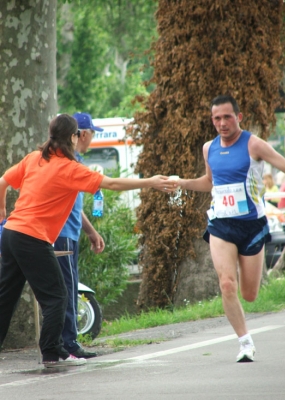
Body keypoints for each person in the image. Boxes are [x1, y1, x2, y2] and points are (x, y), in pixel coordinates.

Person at [0, 113, 177, 368]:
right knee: (57, 297)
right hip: (32, 237)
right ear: (73, 137)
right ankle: (51, 353)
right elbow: (112, 183)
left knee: (6, 298)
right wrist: (150, 181)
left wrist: (2, 213)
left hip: (11, 233)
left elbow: (3, 181)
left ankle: (51, 349)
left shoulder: (34, 158)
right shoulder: (69, 167)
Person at [177, 94, 285, 363]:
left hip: (252, 226)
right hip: (221, 224)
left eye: (227, 117)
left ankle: (246, 328)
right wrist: (182, 183)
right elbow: (210, 182)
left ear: (239, 117)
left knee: (250, 294)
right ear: (212, 120)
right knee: (227, 284)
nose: (222, 123)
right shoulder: (209, 148)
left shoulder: (254, 144)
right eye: (217, 118)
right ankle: (245, 342)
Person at [54, 112, 105, 359]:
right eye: (92, 133)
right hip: (62, 234)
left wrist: (91, 231)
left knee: (66, 288)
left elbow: (75, 205)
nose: (92, 138)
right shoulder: (70, 164)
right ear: (81, 134)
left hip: (70, 233)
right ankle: (69, 345)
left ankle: (63, 344)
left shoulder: (76, 162)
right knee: (67, 288)